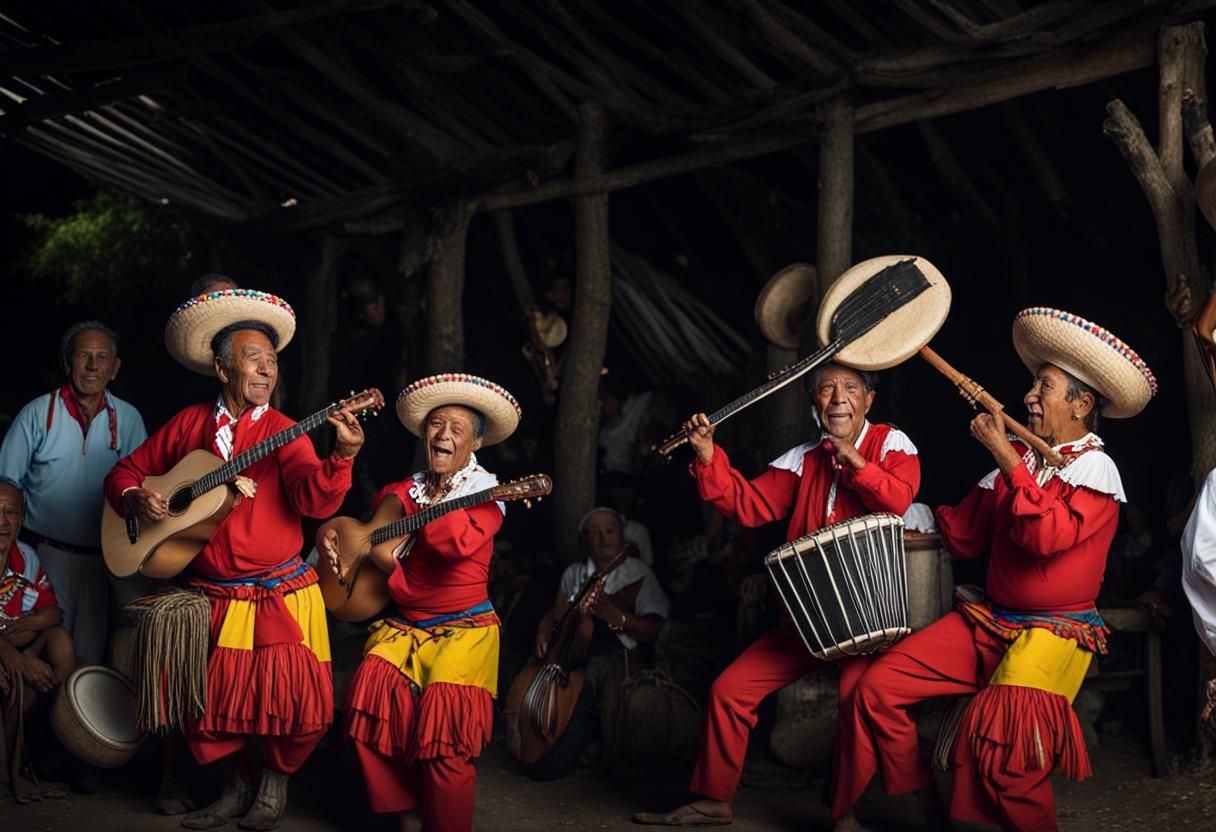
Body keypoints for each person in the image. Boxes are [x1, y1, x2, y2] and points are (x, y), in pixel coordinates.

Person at [836, 307, 1156, 832]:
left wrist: (1007, 460)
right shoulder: (1018, 465)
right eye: (1034, 384)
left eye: (1045, 387)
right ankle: (929, 807)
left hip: (1054, 633)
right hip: (994, 619)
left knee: (1007, 761)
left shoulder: (1096, 467)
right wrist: (891, 497)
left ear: (1083, 404)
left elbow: (1044, 539)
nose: (1029, 396)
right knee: (879, 689)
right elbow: (962, 535)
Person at [104, 289, 364, 830]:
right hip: (211, 596)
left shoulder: (284, 433)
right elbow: (124, 472)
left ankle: (272, 788)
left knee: (292, 708)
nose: (266, 368)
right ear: (222, 368)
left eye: (272, 360)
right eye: (253, 357)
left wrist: (341, 457)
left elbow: (313, 500)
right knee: (208, 711)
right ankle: (234, 787)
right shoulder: (188, 425)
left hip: (276, 594)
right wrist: (134, 497)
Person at [633, 361, 921, 828]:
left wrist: (854, 459)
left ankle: (843, 814)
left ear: (870, 400)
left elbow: (898, 499)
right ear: (813, 402)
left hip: (870, 617)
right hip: (809, 618)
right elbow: (748, 505)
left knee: (857, 698)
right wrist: (708, 454)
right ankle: (714, 798)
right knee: (730, 690)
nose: (838, 397)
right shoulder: (802, 457)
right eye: (825, 389)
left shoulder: (891, 443)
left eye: (850, 387)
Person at [327, 373, 520, 832]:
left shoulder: (487, 498)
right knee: (366, 703)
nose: (443, 433)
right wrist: (346, 542)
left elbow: (450, 545)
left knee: (445, 741)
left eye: (456, 426)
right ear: (423, 434)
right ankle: (407, 813)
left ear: (475, 442)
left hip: (466, 630)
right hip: (408, 624)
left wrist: (392, 557)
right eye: (435, 424)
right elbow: (370, 531)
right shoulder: (406, 490)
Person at [0, 321, 147, 666]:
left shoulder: (128, 419)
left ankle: (73, 721)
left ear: (115, 368)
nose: (93, 366)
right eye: (84, 356)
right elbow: (6, 485)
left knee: (90, 655)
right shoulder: (38, 414)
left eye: (102, 357)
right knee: (49, 647)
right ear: (67, 363)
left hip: (105, 556)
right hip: (47, 554)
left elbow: (143, 486)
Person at [528, 506, 670, 780]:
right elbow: (556, 614)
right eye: (595, 533)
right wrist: (544, 627)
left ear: (621, 536)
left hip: (615, 666)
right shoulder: (574, 573)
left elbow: (654, 629)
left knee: (555, 762)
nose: (603, 538)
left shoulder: (639, 573)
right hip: (573, 665)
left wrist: (617, 617)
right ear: (585, 540)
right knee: (542, 759)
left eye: (609, 531)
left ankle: (591, 743)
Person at [0, 477, 76, 796]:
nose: (3, 522)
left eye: (11, 512)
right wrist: (12, 656)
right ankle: (8, 778)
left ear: (21, 517)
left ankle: (62, 751)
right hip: (5, 653)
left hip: (15, 647)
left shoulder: (26, 557)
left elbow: (53, 612)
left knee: (59, 638)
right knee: (13, 689)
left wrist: (28, 634)